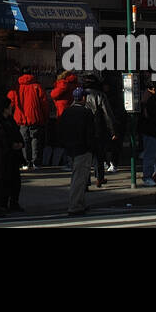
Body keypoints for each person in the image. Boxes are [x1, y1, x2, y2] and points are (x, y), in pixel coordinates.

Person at [59, 88, 96, 217]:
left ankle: (80, 203)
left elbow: (61, 131)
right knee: (80, 178)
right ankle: (75, 206)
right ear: (83, 98)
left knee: (77, 176)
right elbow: (90, 133)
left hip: (70, 149)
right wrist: (91, 147)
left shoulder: (66, 112)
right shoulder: (86, 113)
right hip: (83, 149)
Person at [7, 70, 49, 170]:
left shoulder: (17, 87)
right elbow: (44, 104)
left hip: (21, 118)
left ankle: (26, 162)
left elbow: (9, 102)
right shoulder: (37, 87)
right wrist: (44, 117)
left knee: (24, 140)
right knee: (35, 139)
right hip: (35, 117)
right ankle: (36, 162)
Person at [82, 73, 117, 186]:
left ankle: (86, 180)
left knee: (86, 156)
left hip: (84, 129)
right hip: (98, 128)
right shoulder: (100, 95)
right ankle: (99, 177)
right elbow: (108, 115)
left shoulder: (81, 95)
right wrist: (112, 130)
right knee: (99, 155)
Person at [0, 99, 25, 211]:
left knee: (15, 181)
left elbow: (17, 134)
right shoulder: (0, 122)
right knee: (6, 180)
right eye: (10, 107)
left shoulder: (11, 120)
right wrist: (12, 145)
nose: (11, 109)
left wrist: (20, 143)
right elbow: (2, 138)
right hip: (6, 155)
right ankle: (3, 203)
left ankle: (14, 202)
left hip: (14, 155)